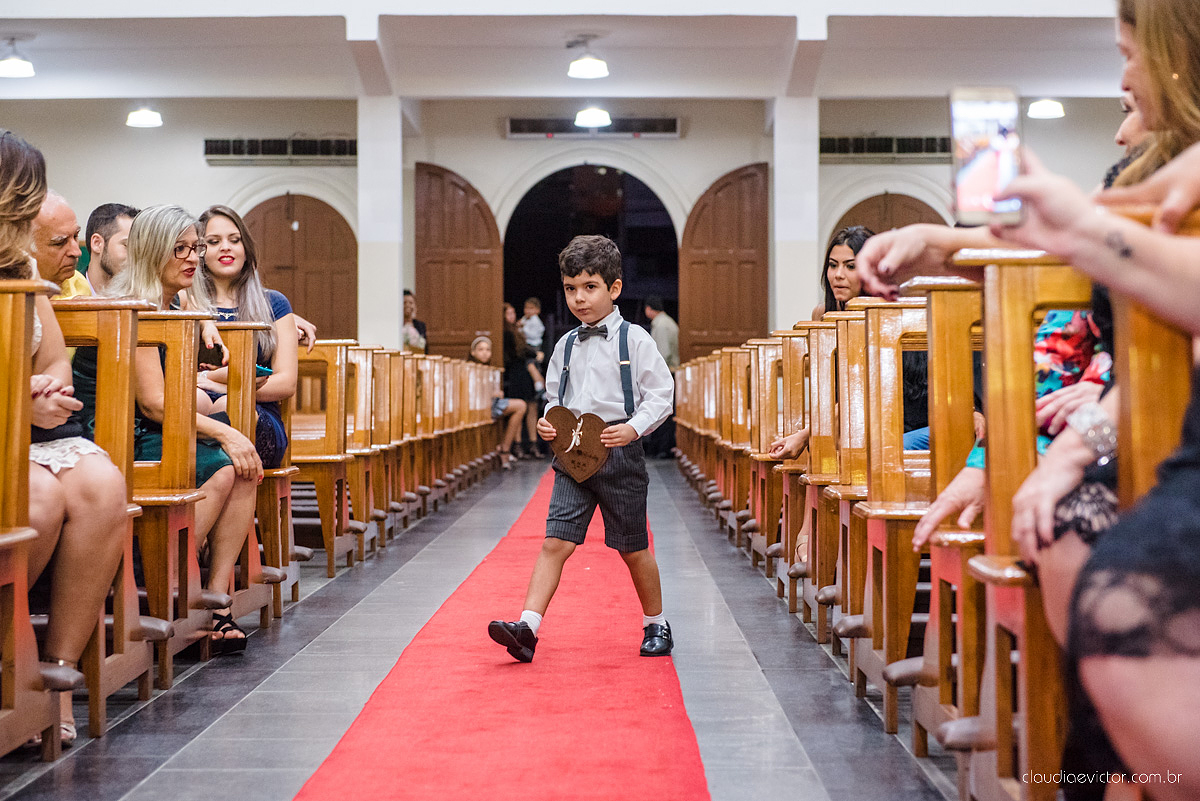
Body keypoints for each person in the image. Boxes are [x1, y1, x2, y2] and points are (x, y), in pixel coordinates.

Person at [488, 234, 675, 662]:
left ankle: (656, 623)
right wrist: (549, 420)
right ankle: (527, 628)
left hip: (619, 450)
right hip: (572, 454)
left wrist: (633, 428)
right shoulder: (567, 344)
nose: (578, 298)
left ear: (614, 288)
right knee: (556, 542)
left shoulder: (636, 340)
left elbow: (661, 395)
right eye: (571, 288)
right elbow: (555, 395)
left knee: (633, 548)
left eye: (589, 287)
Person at [0, 130, 128, 745]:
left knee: (103, 486)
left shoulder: (21, 270)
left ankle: (58, 674)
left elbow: (50, 357)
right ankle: (12, 670)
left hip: (24, 431)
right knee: (44, 501)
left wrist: (43, 393)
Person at [104, 204, 262, 655]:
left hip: (155, 425)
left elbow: (180, 385)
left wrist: (204, 319)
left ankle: (214, 603)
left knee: (247, 465)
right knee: (226, 462)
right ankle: (170, 591)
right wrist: (226, 433)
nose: (194, 258)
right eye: (181, 249)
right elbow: (154, 404)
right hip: (120, 432)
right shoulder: (133, 304)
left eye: (196, 247)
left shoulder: (173, 300)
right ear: (154, 252)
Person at [192, 205, 298, 469]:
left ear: (246, 248)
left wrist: (218, 383)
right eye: (214, 242)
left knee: (231, 404)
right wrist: (217, 384)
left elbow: (286, 383)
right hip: (197, 410)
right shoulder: (186, 302)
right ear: (200, 252)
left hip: (259, 416)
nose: (226, 247)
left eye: (234, 240)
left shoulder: (274, 304)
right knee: (197, 403)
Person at [468, 335, 526, 469]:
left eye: (487, 349)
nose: (484, 352)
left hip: (491, 403)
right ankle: (504, 450)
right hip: (477, 405)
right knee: (520, 405)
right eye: (481, 349)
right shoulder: (469, 369)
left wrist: (497, 393)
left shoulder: (490, 369)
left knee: (521, 405)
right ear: (473, 352)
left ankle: (505, 447)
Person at [30, 191, 91, 299]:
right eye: (60, 243)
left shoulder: (79, 283)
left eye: (76, 236)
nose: (77, 252)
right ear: (26, 249)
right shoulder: (10, 294)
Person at [503, 301, 545, 458]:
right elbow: (518, 351)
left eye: (514, 312)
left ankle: (533, 445)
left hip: (525, 372)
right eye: (508, 313)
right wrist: (534, 355)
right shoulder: (507, 333)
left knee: (532, 406)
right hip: (517, 371)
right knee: (520, 406)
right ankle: (518, 445)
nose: (512, 316)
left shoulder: (519, 328)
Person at [642, 296, 679, 458]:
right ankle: (661, 447)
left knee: (662, 410)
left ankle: (663, 448)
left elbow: (663, 354)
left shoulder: (662, 325)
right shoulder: (665, 322)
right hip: (668, 371)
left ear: (649, 309)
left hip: (666, 371)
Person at [82, 203, 138, 296]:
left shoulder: (141, 298)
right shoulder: (65, 293)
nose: (135, 256)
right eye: (127, 245)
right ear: (97, 243)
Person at [519, 296, 545, 360]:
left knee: (531, 362)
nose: (528, 311)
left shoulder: (535, 320)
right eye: (526, 308)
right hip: (526, 344)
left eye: (531, 308)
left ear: (537, 310)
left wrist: (523, 328)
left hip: (534, 345)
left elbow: (534, 335)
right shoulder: (524, 318)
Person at [401, 289, 427, 354]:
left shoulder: (421, 325)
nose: (408, 305)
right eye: (404, 302)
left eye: (411, 303)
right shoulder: (397, 326)